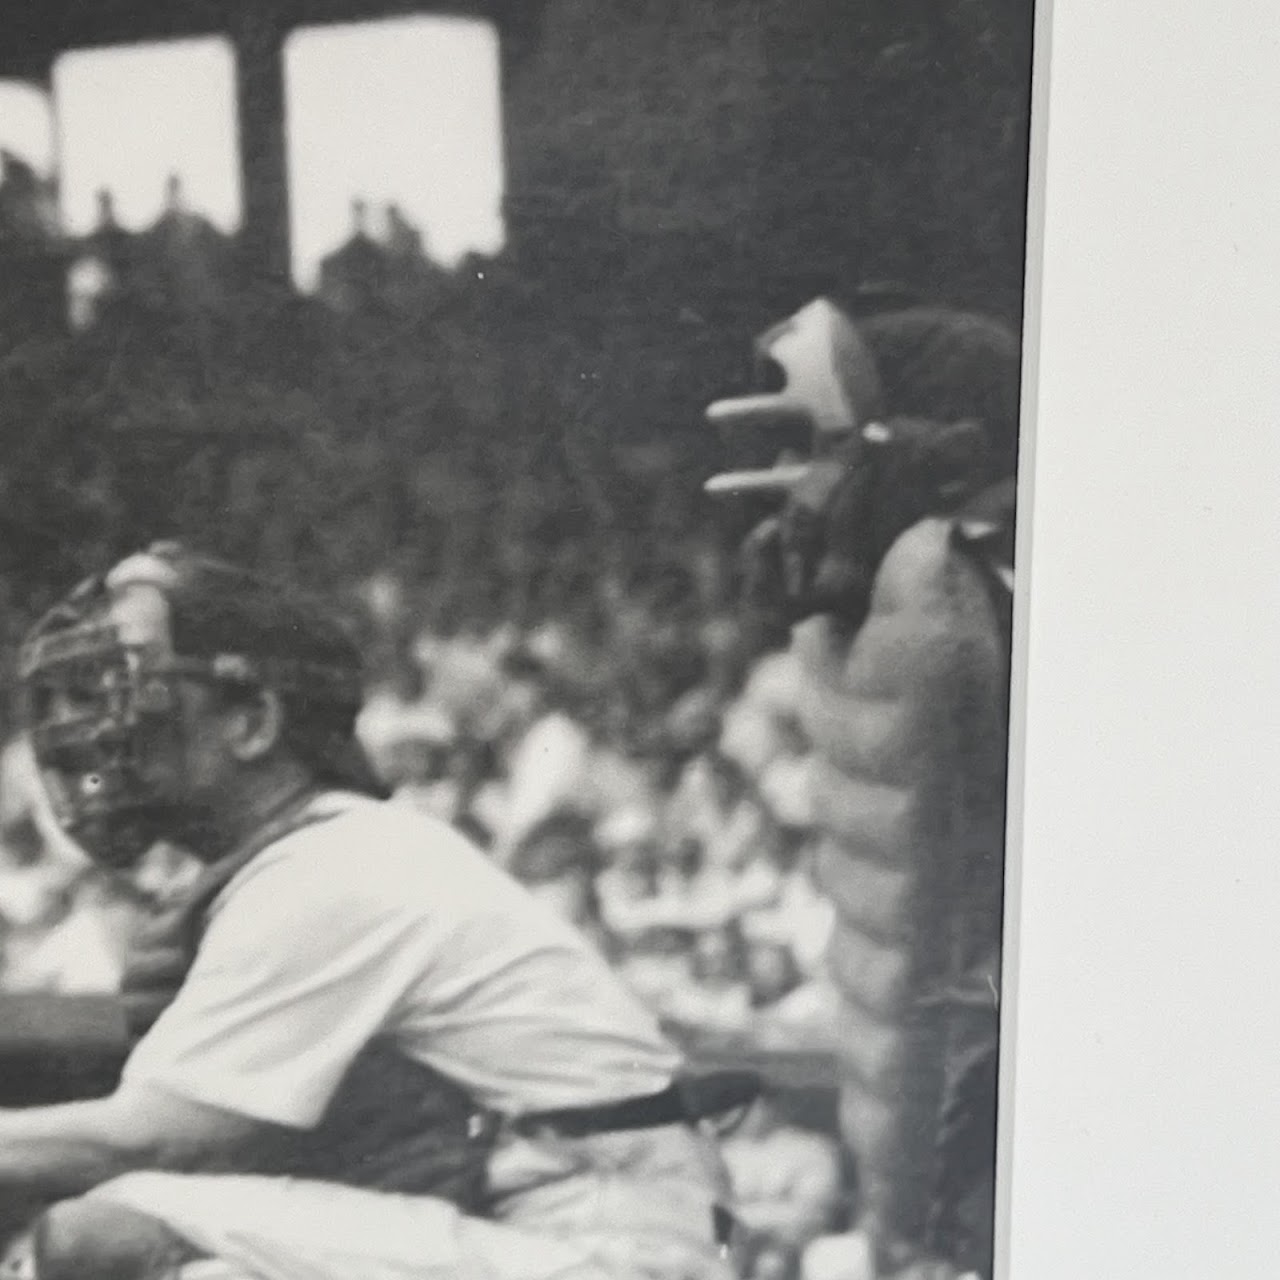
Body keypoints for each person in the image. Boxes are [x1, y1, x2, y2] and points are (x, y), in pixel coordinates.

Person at [2, 543, 745, 1280]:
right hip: (552, 1229)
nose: (93, 725)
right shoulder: (319, 855)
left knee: (105, 1233)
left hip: (611, 1247)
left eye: (129, 686)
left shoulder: (330, 868)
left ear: (253, 721)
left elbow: (150, 1140)